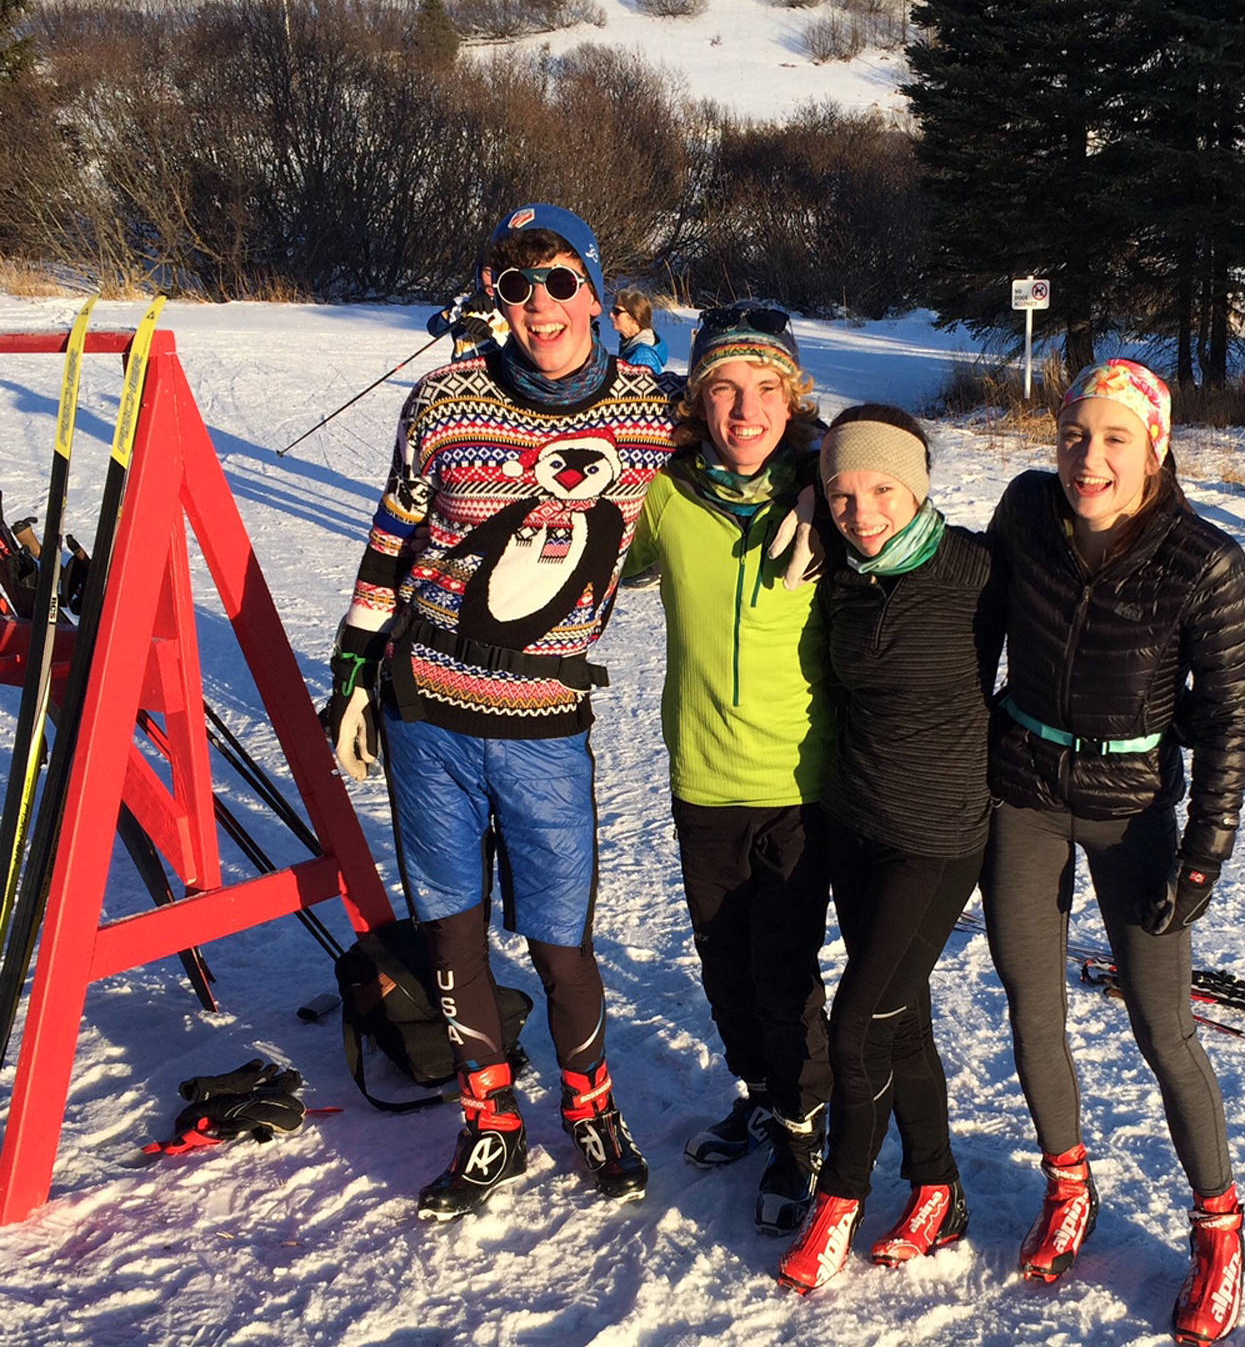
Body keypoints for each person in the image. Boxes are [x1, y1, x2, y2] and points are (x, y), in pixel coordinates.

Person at [325, 203, 683, 1222]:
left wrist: (824, 487)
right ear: (494, 295)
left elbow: (769, 434)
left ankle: (589, 1107)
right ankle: (489, 1121)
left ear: (597, 287)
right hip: (427, 710)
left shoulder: (653, 413)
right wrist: (354, 664)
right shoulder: (443, 398)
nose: (538, 306)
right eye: (514, 285)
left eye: (559, 280)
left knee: (563, 943)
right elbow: (393, 534)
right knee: (451, 936)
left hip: (541, 724)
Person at [981, 359, 1245, 1345]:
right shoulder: (1025, 513)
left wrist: (1202, 854)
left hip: (1131, 810)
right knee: (1030, 1000)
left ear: (1155, 448)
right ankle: (1068, 1183)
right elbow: (974, 633)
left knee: (1161, 1026)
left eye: (1112, 438)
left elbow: (1228, 722)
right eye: (1072, 434)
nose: (1086, 457)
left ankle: (1218, 1228)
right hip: (1020, 792)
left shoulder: (1205, 561)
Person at [776, 405, 1004, 1294]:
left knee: (854, 1026)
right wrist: (805, 498)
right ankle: (937, 1188)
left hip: (939, 838)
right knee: (903, 1019)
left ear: (919, 487)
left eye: (881, 490)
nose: (861, 512)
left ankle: (840, 1199)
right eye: (840, 494)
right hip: (854, 824)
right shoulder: (839, 566)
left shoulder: (979, 569)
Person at [621, 301, 834, 1235]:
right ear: (698, 401)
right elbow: (598, 550)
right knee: (723, 965)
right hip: (700, 776)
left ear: (795, 401)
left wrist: (826, 476)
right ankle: (760, 1096)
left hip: (799, 782)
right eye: (724, 390)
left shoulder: (834, 493)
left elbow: (909, 480)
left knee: (785, 973)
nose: (745, 411)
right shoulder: (669, 496)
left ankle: (804, 1132)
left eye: (766, 390)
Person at [610, 288, 668, 372]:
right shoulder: (630, 345)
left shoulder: (643, 357)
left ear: (635, 318)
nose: (611, 315)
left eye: (617, 311)